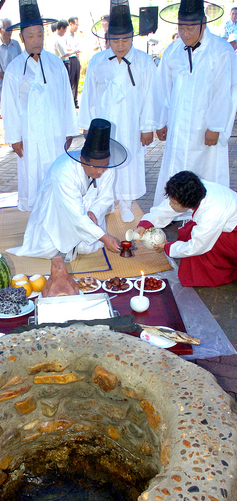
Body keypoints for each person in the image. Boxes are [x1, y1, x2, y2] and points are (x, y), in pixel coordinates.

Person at [153, 0, 237, 207]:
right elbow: (162, 88)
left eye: (191, 28)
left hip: (205, 127)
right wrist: (160, 121)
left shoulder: (221, 50)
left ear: (204, 23)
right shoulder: (173, 51)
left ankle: (206, 214)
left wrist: (215, 126)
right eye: (181, 27)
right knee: (175, 167)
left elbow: (225, 91)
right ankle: (172, 211)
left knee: (205, 172)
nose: (185, 33)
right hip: (178, 126)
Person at [7, 119, 127, 261]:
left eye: (105, 165)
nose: (101, 171)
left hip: (85, 211)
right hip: (58, 207)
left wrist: (94, 212)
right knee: (49, 248)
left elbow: (105, 198)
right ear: (82, 159)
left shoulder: (107, 168)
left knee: (87, 247)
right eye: (95, 167)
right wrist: (104, 237)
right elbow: (75, 212)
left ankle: (88, 231)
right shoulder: (64, 169)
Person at [79, 3, 156, 223]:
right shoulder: (97, 61)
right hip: (105, 123)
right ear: (108, 39)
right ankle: (107, 200)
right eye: (115, 40)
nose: (120, 45)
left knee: (129, 160)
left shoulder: (144, 61)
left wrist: (147, 126)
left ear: (132, 37)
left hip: (131, 122)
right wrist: (87, 124)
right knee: (105, 160)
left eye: (125, 40)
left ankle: (126, 202)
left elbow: (151, 95)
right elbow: (89, 95)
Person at [2, 0, 78, 212]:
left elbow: (66, 99)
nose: (36, 40)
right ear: (22, 38)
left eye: (40, 35)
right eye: (31, 36)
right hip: (29, 134)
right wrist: (14, 138)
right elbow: (9, 106)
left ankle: (57, 213)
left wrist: (69, 130)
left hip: (54, 131)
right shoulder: (14, 69)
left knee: (55, 172)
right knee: (32, 173)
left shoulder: (55, 64)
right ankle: (36, 215)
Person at [135, 171, 237, 287]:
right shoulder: (194, 189)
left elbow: (197, 246)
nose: (170, 205)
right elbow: (167, 208)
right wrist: (145, 224)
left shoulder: (211, 213)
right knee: (189, 233)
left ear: (186, 204)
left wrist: (167, 247)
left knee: (198, 256)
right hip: (223, 217)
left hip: (233, 233)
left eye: (173, 202)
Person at [0, 18, 22, 100]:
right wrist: (11, 80)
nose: (10, 32)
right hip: (4, 85)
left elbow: (22, 63)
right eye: (7, 29)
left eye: (11, 29)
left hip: (18, 85)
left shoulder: (16, 44)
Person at [65, 17, 81, 108]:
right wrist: (73, 50)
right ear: (70, 24)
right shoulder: (65, 36)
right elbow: (65, 49)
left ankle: (75, 100)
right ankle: (70, 101)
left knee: (76, 79)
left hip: (76, 59)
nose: (77, 27)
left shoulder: (76, 36)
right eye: (76, 24)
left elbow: (78, 50)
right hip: (69, 59)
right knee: (70, 81)